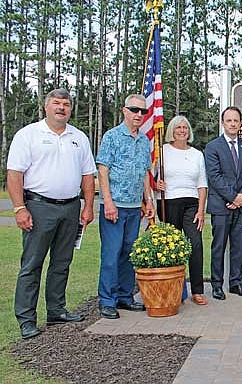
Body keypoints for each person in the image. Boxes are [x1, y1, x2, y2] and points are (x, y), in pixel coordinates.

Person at [7, 88, 96, 339]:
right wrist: (19, 207)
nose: (61, 108)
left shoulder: (79, 137)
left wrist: (88, 206)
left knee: (61, 262)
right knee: (32, 264)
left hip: (70, 207)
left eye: (66, 104)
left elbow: (87, 175)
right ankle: (26, 318)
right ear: (46, 107)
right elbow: (15, 174)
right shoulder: (29, 135)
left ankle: (56, 310)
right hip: (38, 206)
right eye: (56, 103)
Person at [96, 94, 155, 319]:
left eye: (143, 112)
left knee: (129, 253)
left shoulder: (143, 141)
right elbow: (103, 170)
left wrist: (148, 201)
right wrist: (108, 202)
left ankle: (124, 296)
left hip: (134, 207)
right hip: (115, 206)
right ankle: (107, 300)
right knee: (111, 253)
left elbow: (144, 174)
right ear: (124, 111)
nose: (139, 115)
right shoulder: (112, 137)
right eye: (134, 110)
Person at [205, 106, 242, 300]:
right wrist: (232, 197)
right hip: (221, 206)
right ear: (223, 123)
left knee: (238, 246)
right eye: (229, 120)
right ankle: (217, 285)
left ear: (240, 124)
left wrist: (241, 197)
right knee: (218, 246)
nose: (233, 124)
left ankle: (236, 283)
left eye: (236, 121)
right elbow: (215, 176)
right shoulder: (213, 147)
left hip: (241, 207)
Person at [156, 115, 208, 305]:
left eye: (185, 127)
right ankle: (174, 288)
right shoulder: (162, 152)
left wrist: (201, 210)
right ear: (172, 130)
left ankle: (197, 290)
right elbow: (150, 178)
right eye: (178, 127)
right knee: (172, 247)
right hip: (168, 203)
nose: (182, 130)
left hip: (192, 204)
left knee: (195, 244)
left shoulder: (197, 154)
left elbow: (202, 184)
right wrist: (156, 184)